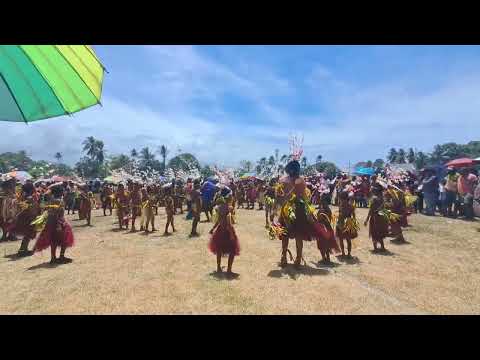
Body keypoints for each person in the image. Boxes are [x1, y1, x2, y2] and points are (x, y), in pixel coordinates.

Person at [271, 160, 338, 268]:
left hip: (286, 210)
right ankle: (297, 260)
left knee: (285, 235)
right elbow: (303, 197)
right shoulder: (301, 181)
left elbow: (278, 198)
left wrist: (274, 211)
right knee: (299, 236)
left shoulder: (283, 180)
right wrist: (308, 212)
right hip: (299, 210)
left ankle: (283, 258)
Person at [33, 185, 75, 264]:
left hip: (52, 222)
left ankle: (53, 258)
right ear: (60, 192)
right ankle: (60, 257)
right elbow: (55, 213)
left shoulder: (52, 200)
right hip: (58, 222)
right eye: (63, 190)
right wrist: (59, 224)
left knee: (54, 240)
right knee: (64, 239)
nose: (64, 191)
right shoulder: (57, 200)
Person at [208, 194, 240, 275]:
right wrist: (232, 234)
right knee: (232, 250)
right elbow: (229, 222)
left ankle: (218, 267)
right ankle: (229, 270)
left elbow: (218, 220)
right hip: (227, 231)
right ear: (230, 199)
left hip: (220, 230)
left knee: (219, 249)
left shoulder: (219, 207)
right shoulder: (230, 208)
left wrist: (213, 228)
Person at [364, 183, 389, 252]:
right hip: (381, 217)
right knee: (380, 232)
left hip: (375, 217)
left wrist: (366, 219)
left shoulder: (374, 199)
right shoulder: (383, 198)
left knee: (374, 232)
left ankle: (375, 248)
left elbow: (371, 210)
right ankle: (382, 247)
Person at [336, 191, 358, 258]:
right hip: (347, 223)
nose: (341, 200)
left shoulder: (342, 205)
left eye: (341, 198)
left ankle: (345, 253)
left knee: (343, 239)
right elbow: (353, 215)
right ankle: (347, 254)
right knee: (346, 239)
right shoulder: (350, 206)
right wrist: (353, 222)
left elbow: (341, 215)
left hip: (344, 223)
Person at [316, 193, 337, 262]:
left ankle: (324, 258)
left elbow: (319, 220)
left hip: (322, 229)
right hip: (328, 228)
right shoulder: (328, 210)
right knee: (327, 244)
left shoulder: (322, 210)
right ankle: (327, 258)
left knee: (321, 244)